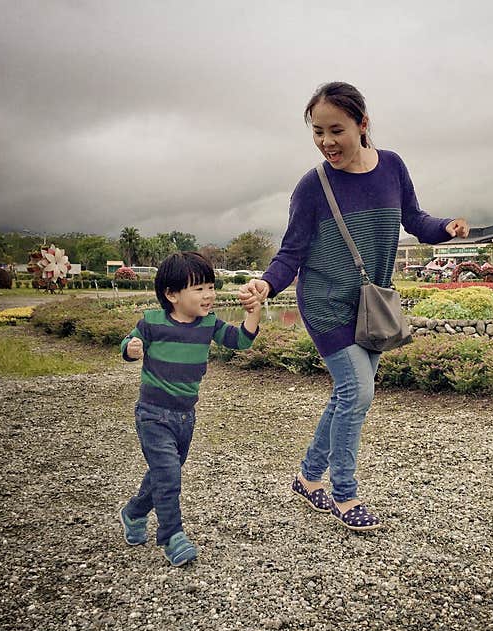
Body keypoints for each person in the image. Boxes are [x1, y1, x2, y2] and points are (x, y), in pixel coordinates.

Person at [238, 81, 469, 532]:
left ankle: (308, 477)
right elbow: (292, 252)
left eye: (336, 130)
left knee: (348, 395)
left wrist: (447, 227)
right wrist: (266, 284)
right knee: (358, 393)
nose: (326, 142)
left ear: (363, 124)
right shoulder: (313, 186)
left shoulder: (393, 167)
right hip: (325, 303)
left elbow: (415, 220)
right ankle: (344, 494)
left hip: (371, 303)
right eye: (317, 132)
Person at [119, 251, 260, 566]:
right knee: (168, 474)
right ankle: (172, 535)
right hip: (152, 413)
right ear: (172, 295)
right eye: (199, 288)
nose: (208, 294)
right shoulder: (151, 323)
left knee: (163, 473)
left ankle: (133, 513)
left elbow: (241, 341)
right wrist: (131, 348)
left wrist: (253, 312)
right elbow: (127, 346)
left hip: (185, 416)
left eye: (210, 286)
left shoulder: (208, 324)